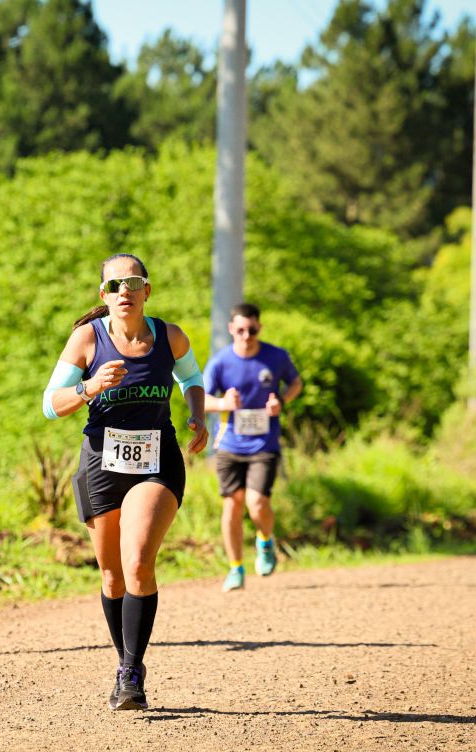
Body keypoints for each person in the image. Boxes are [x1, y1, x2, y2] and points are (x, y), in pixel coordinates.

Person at [42, 253, 207, 711]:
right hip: (101, 462)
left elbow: (192, 376)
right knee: (112, 575)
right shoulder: (86, 340)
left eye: (133, 283)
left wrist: (197, 412)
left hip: (156, 461)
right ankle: (123, 661)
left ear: (146, 290)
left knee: (137, 562)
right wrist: (89, 387)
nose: (124, 292)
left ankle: (133, 671)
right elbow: (50, 405)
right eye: (115, 285)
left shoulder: (168, 336)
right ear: (104, 295)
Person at [202, 302, 303, 592]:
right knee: (231, 506)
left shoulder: (276, 356)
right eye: (241, 330)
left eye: (253, 329)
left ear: (260, 327)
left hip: (264, 443)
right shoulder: (220, 362)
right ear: (232, 329)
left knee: (257, 502)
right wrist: (223, 403)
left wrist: (281, 401)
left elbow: (296, 383)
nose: (247, 335)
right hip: (229, 443)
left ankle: (265, 540)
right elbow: (201, 399)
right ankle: (236, 568)